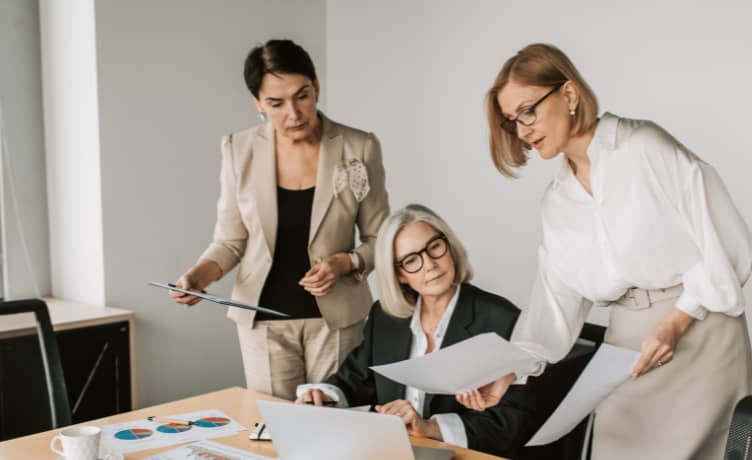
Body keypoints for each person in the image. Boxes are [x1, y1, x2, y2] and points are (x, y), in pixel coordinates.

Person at [460, 43, 752, 460]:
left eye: (528, 110)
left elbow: (729, 243)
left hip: (702, 335)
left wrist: (676, 322)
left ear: (568, 94)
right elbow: (555, 305)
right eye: (511, 121)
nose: (522, 129)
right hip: (628, 345)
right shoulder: (557, 201)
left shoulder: (643, 146)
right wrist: (510, 370)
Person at [170, 39, 389, 400]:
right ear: (257, 103)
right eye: (276, 103)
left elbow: (381, 238)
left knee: (335, 429)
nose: (294, 113)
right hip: (261, 320)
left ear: (316, 87)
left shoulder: (359, 146)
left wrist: (345, 261)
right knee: (274, 434)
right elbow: (230, 240)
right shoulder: (237, 148)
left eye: (302, 95)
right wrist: (197, 276)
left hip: (336, 320)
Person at [295, 204, 534, 458]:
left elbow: (511, 422)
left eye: (434, 247)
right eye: (411, 260)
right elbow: (355, 379)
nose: (429, 264)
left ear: (449, 247)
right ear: (399, 275)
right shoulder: (385, 317)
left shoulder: (501, 319)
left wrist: (431, 428)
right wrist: (324, 396)